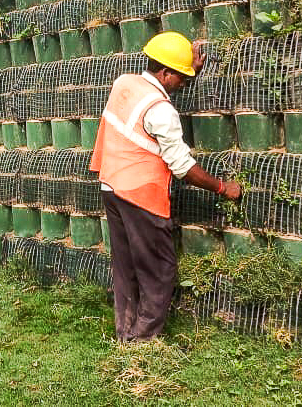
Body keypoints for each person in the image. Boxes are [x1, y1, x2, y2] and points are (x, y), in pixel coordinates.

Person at [90, 31, 241, 342]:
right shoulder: (162, 111)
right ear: (165, 72)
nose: (184, 83)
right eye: (181, 77)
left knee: (126, 266)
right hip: (140, 195)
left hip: (111, 185)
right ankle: (143, 341)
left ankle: (126, 334)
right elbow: (184, 168)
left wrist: (189, 68)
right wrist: (222, 188)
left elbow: (147, 109)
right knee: (159, 268)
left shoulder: (124, 83)